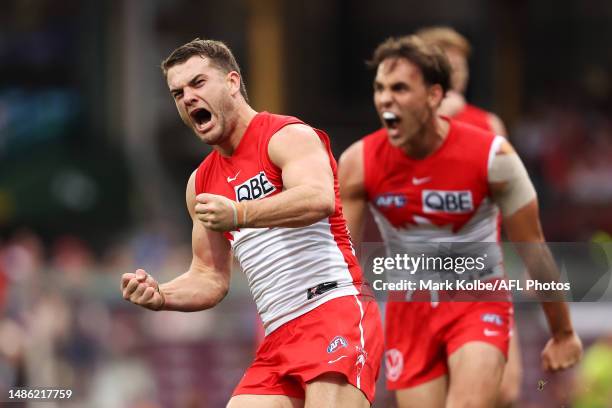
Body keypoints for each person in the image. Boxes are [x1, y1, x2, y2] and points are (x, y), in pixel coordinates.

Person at [120, 38, 383, 408]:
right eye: (177, 93)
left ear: (231, 82)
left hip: (333, 310)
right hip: (278, 335)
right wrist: (162, 295)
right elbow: (210, 277)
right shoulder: (200, 183)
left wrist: (240, 213)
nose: (187, 98)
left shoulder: (286, 136)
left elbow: (318, 197)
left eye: (198, 83)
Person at [338, 35, 582, 408]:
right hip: (409, 311)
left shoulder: (492, 155)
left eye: (400, 88)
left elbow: (533, 246)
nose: (386, 99)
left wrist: (563, 331)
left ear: (435, 96)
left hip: (477, 299)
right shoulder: (359, 162)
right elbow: (342, 261)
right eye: (380, 88)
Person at [417, 26, 520, 407]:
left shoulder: (489, 124)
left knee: (506, 388)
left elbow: (512, 198)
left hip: (485, 270)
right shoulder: (406, 125)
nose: (457, 72)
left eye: (462, 65)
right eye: (448, 63)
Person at [416, 26, 507, 136]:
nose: (456, 75)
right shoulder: (404, 119)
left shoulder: (490, 123)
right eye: (448, 67)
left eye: (460, 67)